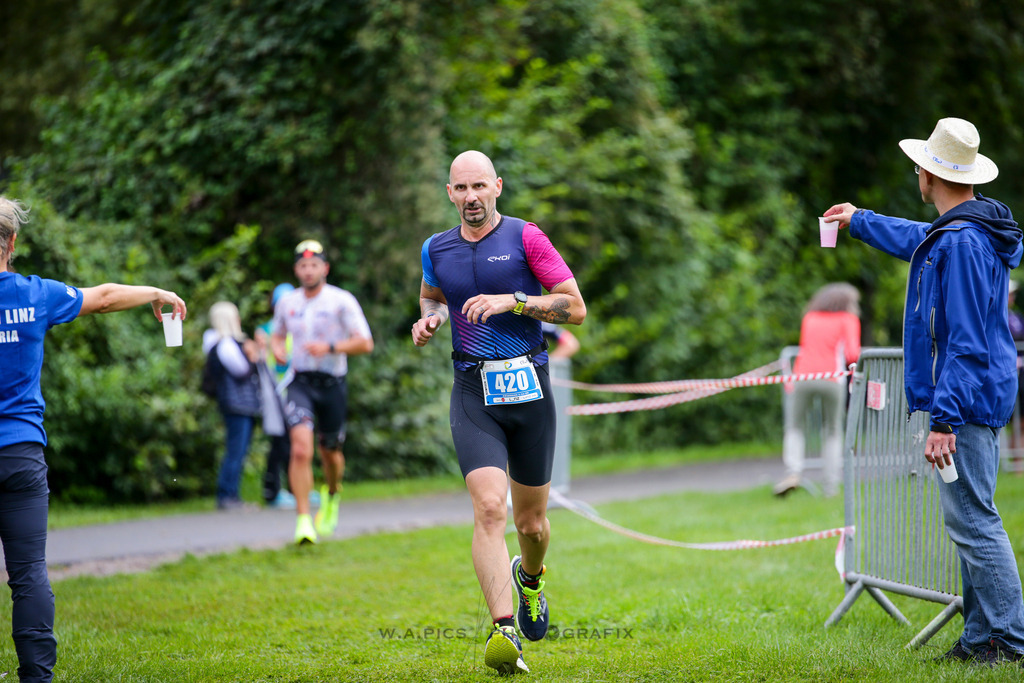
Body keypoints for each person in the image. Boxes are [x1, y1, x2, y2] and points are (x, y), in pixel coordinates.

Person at [824, 117, 1024, 664]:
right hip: (981, 393)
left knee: (974, 520)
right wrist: (859, 220)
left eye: (919, 166)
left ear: (927, 174)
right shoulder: (965, 230)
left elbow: (964, 343)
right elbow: (918, 238)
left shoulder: (961, 243)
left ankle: (1008, 640)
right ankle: (982, 636)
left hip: (969, 398)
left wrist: (944, 420)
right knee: (969, 519)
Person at [411, 150, 586, 675]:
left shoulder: (525, 238)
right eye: (461, 188)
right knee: (490, 508)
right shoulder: (434, 248)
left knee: (531, 524)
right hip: (472, 390)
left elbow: (574, 308)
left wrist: (512, 300)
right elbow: (433, 297)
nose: (470, 198)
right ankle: (503, 629)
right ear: (449, 193)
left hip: (528, 385)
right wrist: (430, 321)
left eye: (479, 187)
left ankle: (530, 581)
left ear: (498, 187)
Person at [0, 196, 186, 682]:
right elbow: (102, 297)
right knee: (28, 574)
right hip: (21, 453)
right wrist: (156, 293)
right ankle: (37, 678)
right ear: (13, 242)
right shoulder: (34, 294)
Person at [271, 240, 373, 545]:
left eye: (314, 265)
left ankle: (331, 493)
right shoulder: (287, 301)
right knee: (301, 448)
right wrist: (278, 350)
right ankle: (303, 520)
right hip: (300, 382)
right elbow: (277, 336)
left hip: (332, 384)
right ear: (296, 270)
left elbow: (365, 343)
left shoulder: (341, 301)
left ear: (324, 268)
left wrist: (329, 347)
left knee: (331, 453)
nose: (308, 270)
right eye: (302, 266)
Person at [774, 283, 860, 498]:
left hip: (802, 376)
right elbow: (852, 354)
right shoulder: (847, 319)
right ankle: (830, 485)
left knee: (794, 426)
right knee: (832, 430)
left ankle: (793, 472)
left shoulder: (810, 317)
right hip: (832, 378)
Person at [202, 301, 262, 510]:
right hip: (237, 404)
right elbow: (242, 371)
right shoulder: (226, 345)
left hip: (237, 403)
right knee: (235, 450)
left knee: (238, 450)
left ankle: (231, 494)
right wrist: (252, 356)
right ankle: (227, 496)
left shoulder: (216, 343)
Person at [255, 283, 298, 509]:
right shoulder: (265, 331)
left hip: (296, 391)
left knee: (297, 443)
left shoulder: (298, 327)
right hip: (276, 393)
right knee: (280, 443)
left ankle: (296, 488)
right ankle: (273, 491)